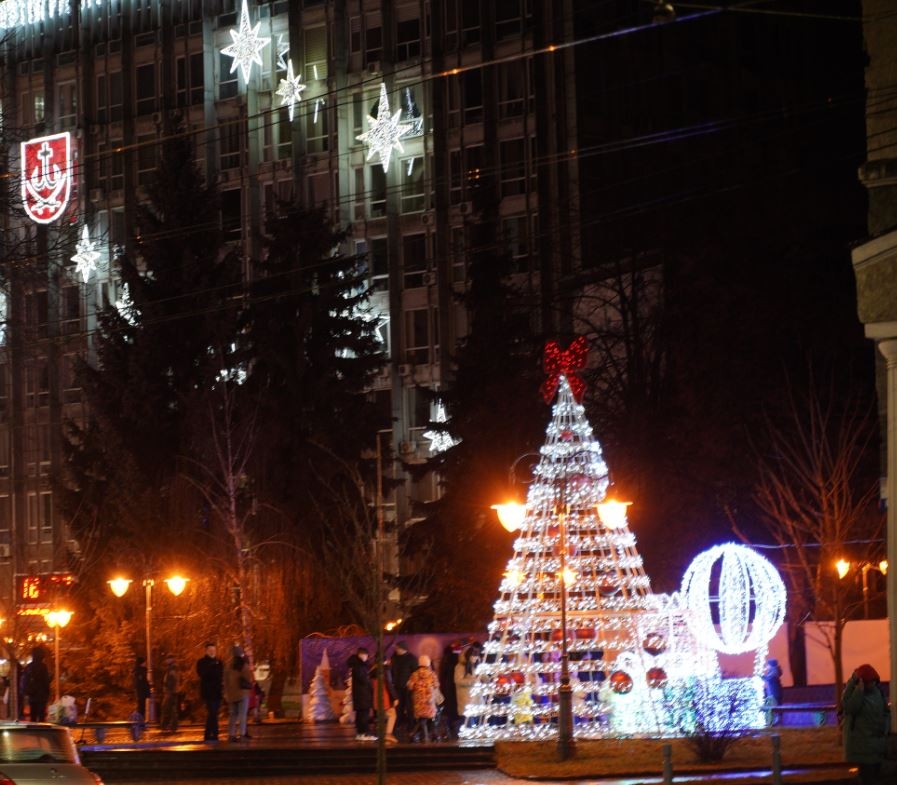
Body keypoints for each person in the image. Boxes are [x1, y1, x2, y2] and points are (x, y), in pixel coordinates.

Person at [842, 663, 889, 785]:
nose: (872, 684)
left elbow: (885, 713)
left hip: (875, 747)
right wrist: (858, 690)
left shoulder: (877, 692)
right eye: (870, 682)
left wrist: (885, 728)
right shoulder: (855, 692)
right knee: (868, 779)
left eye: (873, 681)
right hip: (863, 748)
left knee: (871, 778)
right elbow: (850, 708)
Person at [406, 654, 440, 743]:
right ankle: (431, 735)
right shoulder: (432, 674)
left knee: (422, 719)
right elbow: (436, 685)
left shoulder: (415, 674)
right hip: (429, 700)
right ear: (428, 663)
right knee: (431, 718)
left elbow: (410, 686)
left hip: (418, 701)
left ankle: (423, 736)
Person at [224, 645, 253, 742]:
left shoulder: (227, 666)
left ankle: (231, 735)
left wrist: (226, 693)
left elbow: (225, 681)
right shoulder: (243, 665)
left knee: (233, 715)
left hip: (231, 694)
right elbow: (248, 679)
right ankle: (242, 734)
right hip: (242, 694)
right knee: (242, 715)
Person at [196, 642, 224, 742]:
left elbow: (221, 675)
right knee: (212, 712)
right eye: (210, 650)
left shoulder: (219, 662)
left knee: (213, 712)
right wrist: (212, 668)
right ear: (206, 651)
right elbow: (202, 674)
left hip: (217, 692)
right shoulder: (202, 662)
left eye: (214, 650)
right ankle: (214, 733)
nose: (212, 652)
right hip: (208, 692)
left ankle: (208, 734)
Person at [390, 641, 417, 739]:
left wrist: (411, 681)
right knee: (398, 708)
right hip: (397, 687)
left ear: (403, 649)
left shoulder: (411, 658)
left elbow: (415, 672)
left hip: (408, 687)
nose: (396, 650)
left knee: (409, 707)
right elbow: (392, 670)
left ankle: (411, 726)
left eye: (398, 648)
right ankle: (398, 726)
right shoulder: (394, 657)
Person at [347, 647, 375, 741]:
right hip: (362, 695)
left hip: (362, 695)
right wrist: (369, 677)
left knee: (361, 715)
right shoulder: (359, 666)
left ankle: (361, 733)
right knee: (363, 715)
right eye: (365, 655)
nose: (366, 657)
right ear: (360, 655)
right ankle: (364, 733)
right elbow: (363, 679)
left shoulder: (358, 665)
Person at [369, 658, 398, 744]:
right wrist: (395, 697)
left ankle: (383, 735)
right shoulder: (385, 670)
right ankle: (388, 735)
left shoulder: (372, 671)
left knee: (383, 716)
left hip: (376, 698)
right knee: (392, 714)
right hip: (385, 697)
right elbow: (389, 684)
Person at [454, 644, 482, 732]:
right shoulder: (460, 667)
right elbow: (458, 681)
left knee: (476, 719)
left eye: (476, 656)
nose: (475, 658)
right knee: (469, 721)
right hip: (466, 697)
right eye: (473, 656)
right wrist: (473, 680)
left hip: (476, 697)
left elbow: (483, 676)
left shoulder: (476, 666)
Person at [22, 647, 51, 722]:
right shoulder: (43, 667)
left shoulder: (28, 667)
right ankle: (41, 731)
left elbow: (25, 680)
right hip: (41, 695)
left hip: (32, 695)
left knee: (33, 715)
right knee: (41, 715)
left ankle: (33, 730)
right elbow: (46, 681)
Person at [160, 656, 180, 733]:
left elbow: (172, 681)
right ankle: (172, 726)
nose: (166, 660)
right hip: (173, 692)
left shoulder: (172, 669)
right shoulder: (173, 668)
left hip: (170, 692)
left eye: (167, 659)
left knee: (166, 708)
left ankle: (165, 726)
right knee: (172, 709)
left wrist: (167, 687)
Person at [133, 656, 151, 720]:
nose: (145, 663)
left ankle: (140, 722)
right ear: (141, 663)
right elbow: (142, 682)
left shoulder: (138, 671)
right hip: (141, 692)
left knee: (141, 707)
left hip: (140, 692)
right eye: (144, 662)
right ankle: (139, 722)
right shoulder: (140, 671)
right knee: (141, 708)